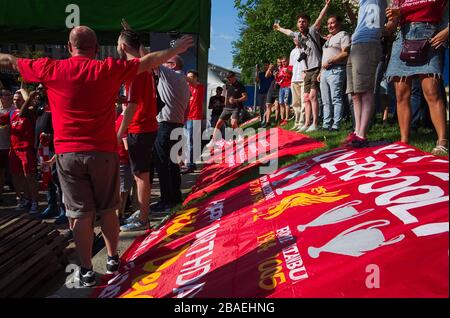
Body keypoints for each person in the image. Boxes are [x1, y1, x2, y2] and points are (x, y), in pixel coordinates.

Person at [0, 26, 193, 287]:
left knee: (80, 214)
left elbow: (10, 61)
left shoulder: (51, 68)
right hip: (103, 151)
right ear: (95, 49)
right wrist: (176, 49)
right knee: (109, 209)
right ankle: (113, 257)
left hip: (68, 154)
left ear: (69, 47)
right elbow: (148, 61)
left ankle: (87, 270)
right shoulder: (107, 68)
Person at [385, 0, 449, 155]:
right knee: (401, 93)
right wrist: (387, 24)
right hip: (403, 36)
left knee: (432, 92)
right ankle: (404, 141)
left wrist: (447, 32)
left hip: (429, 34)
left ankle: (442, 141)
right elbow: (392, 25)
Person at [115, 29, 159, 232]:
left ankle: (143, 219)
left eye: (118, 44)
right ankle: (142, 213)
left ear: (123, 46)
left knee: (141, 176)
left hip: (139, 127)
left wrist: (119, 133)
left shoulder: (135, 69)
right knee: (142, 174)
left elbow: (132, 106)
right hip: (146, 125)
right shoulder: (145, 66)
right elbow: (134, 100)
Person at [274, 0, 331, 132]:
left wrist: (326, 5)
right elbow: (288, 32)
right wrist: (279, 28)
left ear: (307, 23)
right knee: (305, 98)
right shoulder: (298, 35)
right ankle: (306, 123)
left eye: (304, 21)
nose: (301, 23)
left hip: (317, 67)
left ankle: (315, 123)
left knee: (312, 97)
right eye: (299, 21)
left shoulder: (312, 30)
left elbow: (320, 19)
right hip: (307, 70)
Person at [344, 0, 387, 147]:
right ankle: (357, 132)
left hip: (368, 43)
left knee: (366, 91)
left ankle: (362, 134)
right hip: (355, 44)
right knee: (355, 93)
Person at [152, 55, 190, 212]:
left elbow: (150, 61)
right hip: (178, 125)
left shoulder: (170, 74)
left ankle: (166, 200)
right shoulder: (184, 82)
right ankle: (174, 198)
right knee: (173, 164)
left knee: (162, 164)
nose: (161, 65)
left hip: (166, 125)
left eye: (165, 62)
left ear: (172, 65)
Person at [7, 90, 39, 214]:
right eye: (14, 99)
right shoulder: (11, 114)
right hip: (13, 150)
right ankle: (26, 198)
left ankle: (35, 201)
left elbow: (24, 112)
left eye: (18, 99)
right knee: (17, 177)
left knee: (29, 177)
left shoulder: (30, 111)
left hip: (26, 149)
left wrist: (28, 97)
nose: (16, 102)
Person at [319, 14, 351, 131]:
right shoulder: (329, 38)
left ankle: (336, 124)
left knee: (336, 99)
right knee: (325, 100)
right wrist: (321, 72)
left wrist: (331, 60)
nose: (330, 26)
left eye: (332, 23)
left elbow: (345, 53)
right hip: (324, 72)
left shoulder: (343, 34)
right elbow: (325, 56)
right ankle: (326, 124)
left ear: (339, 23)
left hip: (336, 70)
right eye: (328, 24)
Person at [206, 71, 247, 148]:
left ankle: (240, 135)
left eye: (229, 78)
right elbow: (227, 94)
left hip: (236, 107)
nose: (228, 80)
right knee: (218, 123)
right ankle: (213, 141)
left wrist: (236, 100)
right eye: (227, 79)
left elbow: (245, 97)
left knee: (233, 123)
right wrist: (224, 105)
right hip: (227, 108)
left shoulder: (240, 86)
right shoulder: (228, 85)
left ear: (234, 77)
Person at [184, 70, 205, 174]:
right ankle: (190, 163)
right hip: (186, 118)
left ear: (196, 78)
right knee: (187, 142)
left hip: (194, 118)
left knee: (191, 142)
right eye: (188, 77)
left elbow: (194, 84)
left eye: (191, 77)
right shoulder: (187, 87)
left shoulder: (199, 87)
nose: (189, 79)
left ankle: (190, 165)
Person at [290, 39, 307, 130]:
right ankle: (296, 122)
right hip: (294, 79)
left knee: (304, 101)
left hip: (303, 78)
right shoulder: (292, 51)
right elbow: (291, 66)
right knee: (295, 102)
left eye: (298, 37)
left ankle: (302, 122)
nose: (296, 39)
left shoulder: (305, 48)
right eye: (294, 38)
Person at [0, 89, 13, 203]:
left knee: (14, 171)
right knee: (1, 172)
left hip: (12, 146)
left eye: (10, 95)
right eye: (6, 95)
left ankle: (20, 194)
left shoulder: (15, 109)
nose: (9, 97)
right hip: (1, 146)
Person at [263, 60, 282, 128]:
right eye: (278, 62)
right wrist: (269, 68)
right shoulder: (275, 69)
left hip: (279, 89)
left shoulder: (283, 69)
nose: (279, 63)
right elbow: (266, 75)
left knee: (277, 106)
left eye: (280, 62)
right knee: (268, 105)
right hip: (271, 90)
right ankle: (267, 122)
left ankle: (277, 120)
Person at [277, 56, 293, 126]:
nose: (283, 63)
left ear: (288, 61)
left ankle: (286, 118)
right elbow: (279, 79)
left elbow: (293, 74)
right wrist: (276, 76)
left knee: (286, 102)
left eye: (284, 61)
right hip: (281, 87)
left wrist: (289, 72)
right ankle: (282, 118)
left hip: (288, 86)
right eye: (282, 62)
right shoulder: (280, 69)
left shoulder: (290, 67)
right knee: (281, 103)